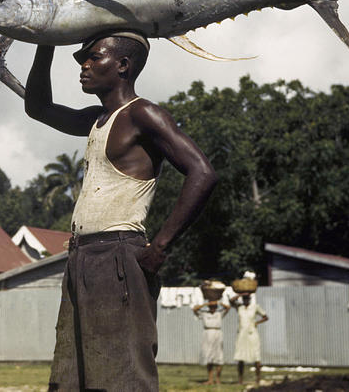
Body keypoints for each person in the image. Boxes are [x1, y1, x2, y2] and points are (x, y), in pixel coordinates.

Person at [23, 31, 217, 391]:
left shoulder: (143, 114)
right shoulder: (97, 120)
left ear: (123, 65)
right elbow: (38, 108)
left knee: (122, 376)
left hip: (118, 254)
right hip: (81, 255)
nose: (84, 66)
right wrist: (46, 38)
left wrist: (160, 245)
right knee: (73, 378)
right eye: (84, 58)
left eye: (94, 57)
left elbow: (202, 172)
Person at [230, 291, 268, 385]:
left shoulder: (255, 307)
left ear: (250, 299)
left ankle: (258, 379)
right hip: (242, 333)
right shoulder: (240, 307)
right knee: (240, 357)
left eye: (247, 298)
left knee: (256, 356)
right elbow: (231, 301)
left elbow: (265, 317)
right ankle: (240, 380)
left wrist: (256, 323)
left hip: (252, 333)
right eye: (244, 299)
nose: (246, 300)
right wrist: (241, 294)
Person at [192, 297, 228, 385]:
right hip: (207, 333)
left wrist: (217, 302)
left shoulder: (219, 313)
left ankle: (218, 379)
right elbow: (194, 309)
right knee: (208, 357)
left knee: (219, 356)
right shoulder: (204, 313)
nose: (213, 308)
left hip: (217, 333)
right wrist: (207, 304)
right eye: (211, 307)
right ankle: (210, 379)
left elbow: (228, 307)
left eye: (214, 307)